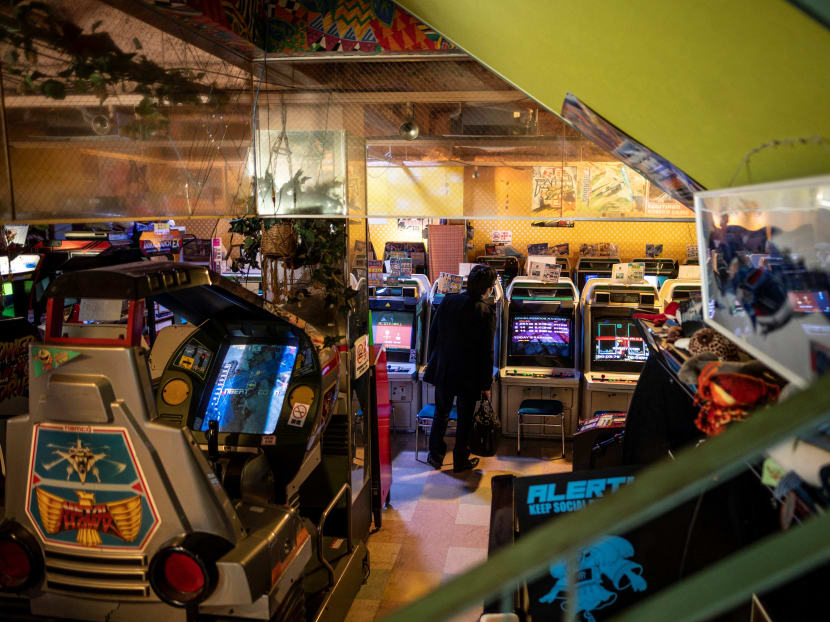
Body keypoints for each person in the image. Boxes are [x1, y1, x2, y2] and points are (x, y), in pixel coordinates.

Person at [423, 264, 497, 472]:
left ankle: (435, 456)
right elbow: (487, 352)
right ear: (487, 288)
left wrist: (432, 364)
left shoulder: (448, 301)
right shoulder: (486, 311)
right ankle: (460, 460)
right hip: (469, 374)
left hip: (444, 368)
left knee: (441, 413)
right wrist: (486, 384)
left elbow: (433, 334)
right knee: (465, 419)